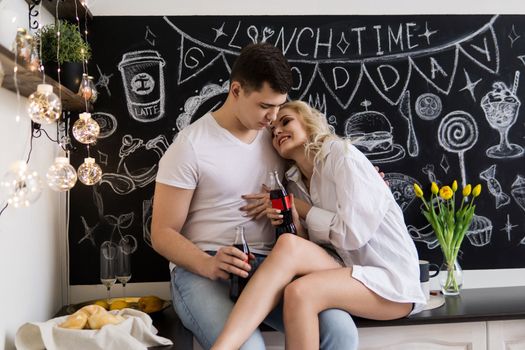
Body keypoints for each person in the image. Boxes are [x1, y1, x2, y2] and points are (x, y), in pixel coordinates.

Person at [151, 43, 358, 350]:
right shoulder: (191, 145)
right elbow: (161, 233)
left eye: (279, 106)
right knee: (249, 348)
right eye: (264, 106)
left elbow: (324, 173)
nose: (273, 117)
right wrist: (208, 265)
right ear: (236, 90)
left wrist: (291, 217)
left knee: (340, 332)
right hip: (203, 270)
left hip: (274, 265)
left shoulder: (278, 140)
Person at [211, 100, 427, 350]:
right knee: (288, 244)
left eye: (286, 121)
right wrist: (290, 217)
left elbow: (351, 235)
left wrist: (299, 208)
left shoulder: (341, 155)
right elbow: (305, 249)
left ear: (308, 121)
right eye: (272, 131)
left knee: (301, 292)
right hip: (343, 269)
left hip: (391, 282)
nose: (278, 131)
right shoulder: (292, 183)